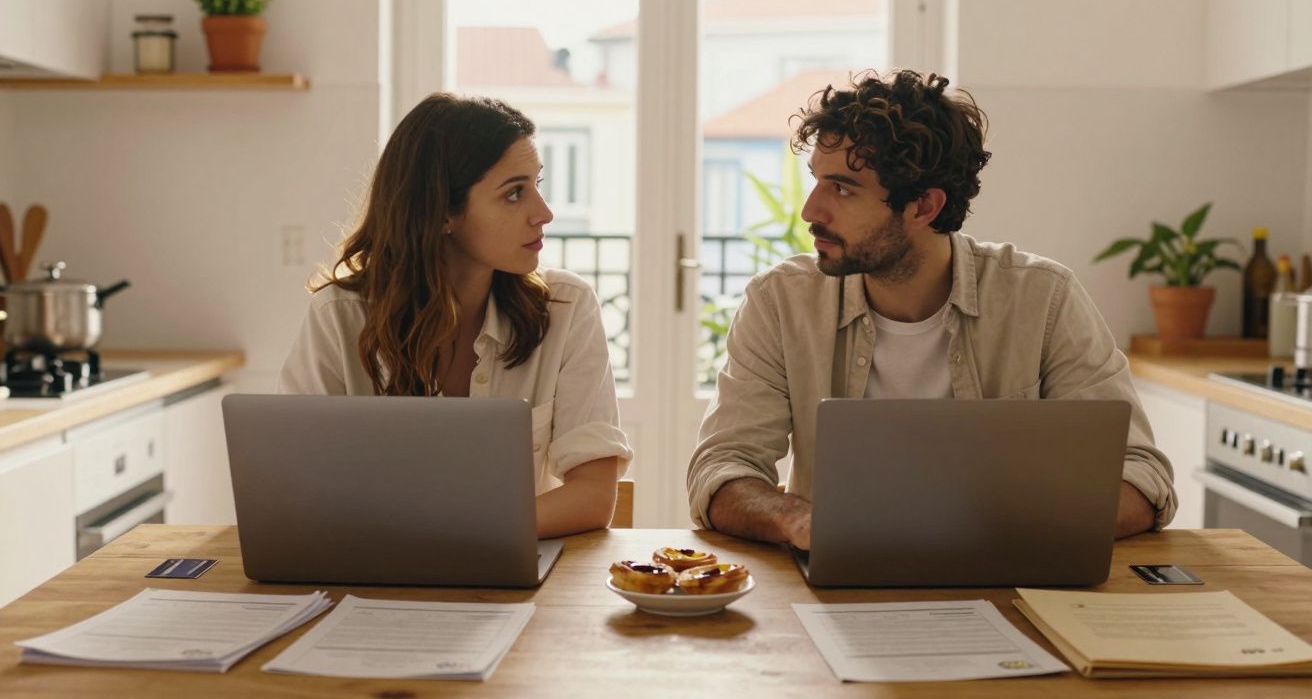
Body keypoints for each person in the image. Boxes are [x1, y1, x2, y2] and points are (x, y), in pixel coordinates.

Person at [687, 69, 1175, 549]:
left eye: (842, 189)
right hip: (833, 587)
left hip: (1007, 585)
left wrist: (1002, 528)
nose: (810, 211)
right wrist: (799, 522)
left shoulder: (1042, 299)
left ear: (923, 207)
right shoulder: (780, 303)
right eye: (816, 180)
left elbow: (1140, 475)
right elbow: (722, 467)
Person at [279, 93, 632, 538]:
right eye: (514, 193)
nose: (544, 213)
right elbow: (295, 488)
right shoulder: (339, 317)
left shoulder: (566, 308)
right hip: (373, 583)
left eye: (537, 185)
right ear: (443, 212)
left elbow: (594, 498)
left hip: (511, 586)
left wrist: (439, 537)